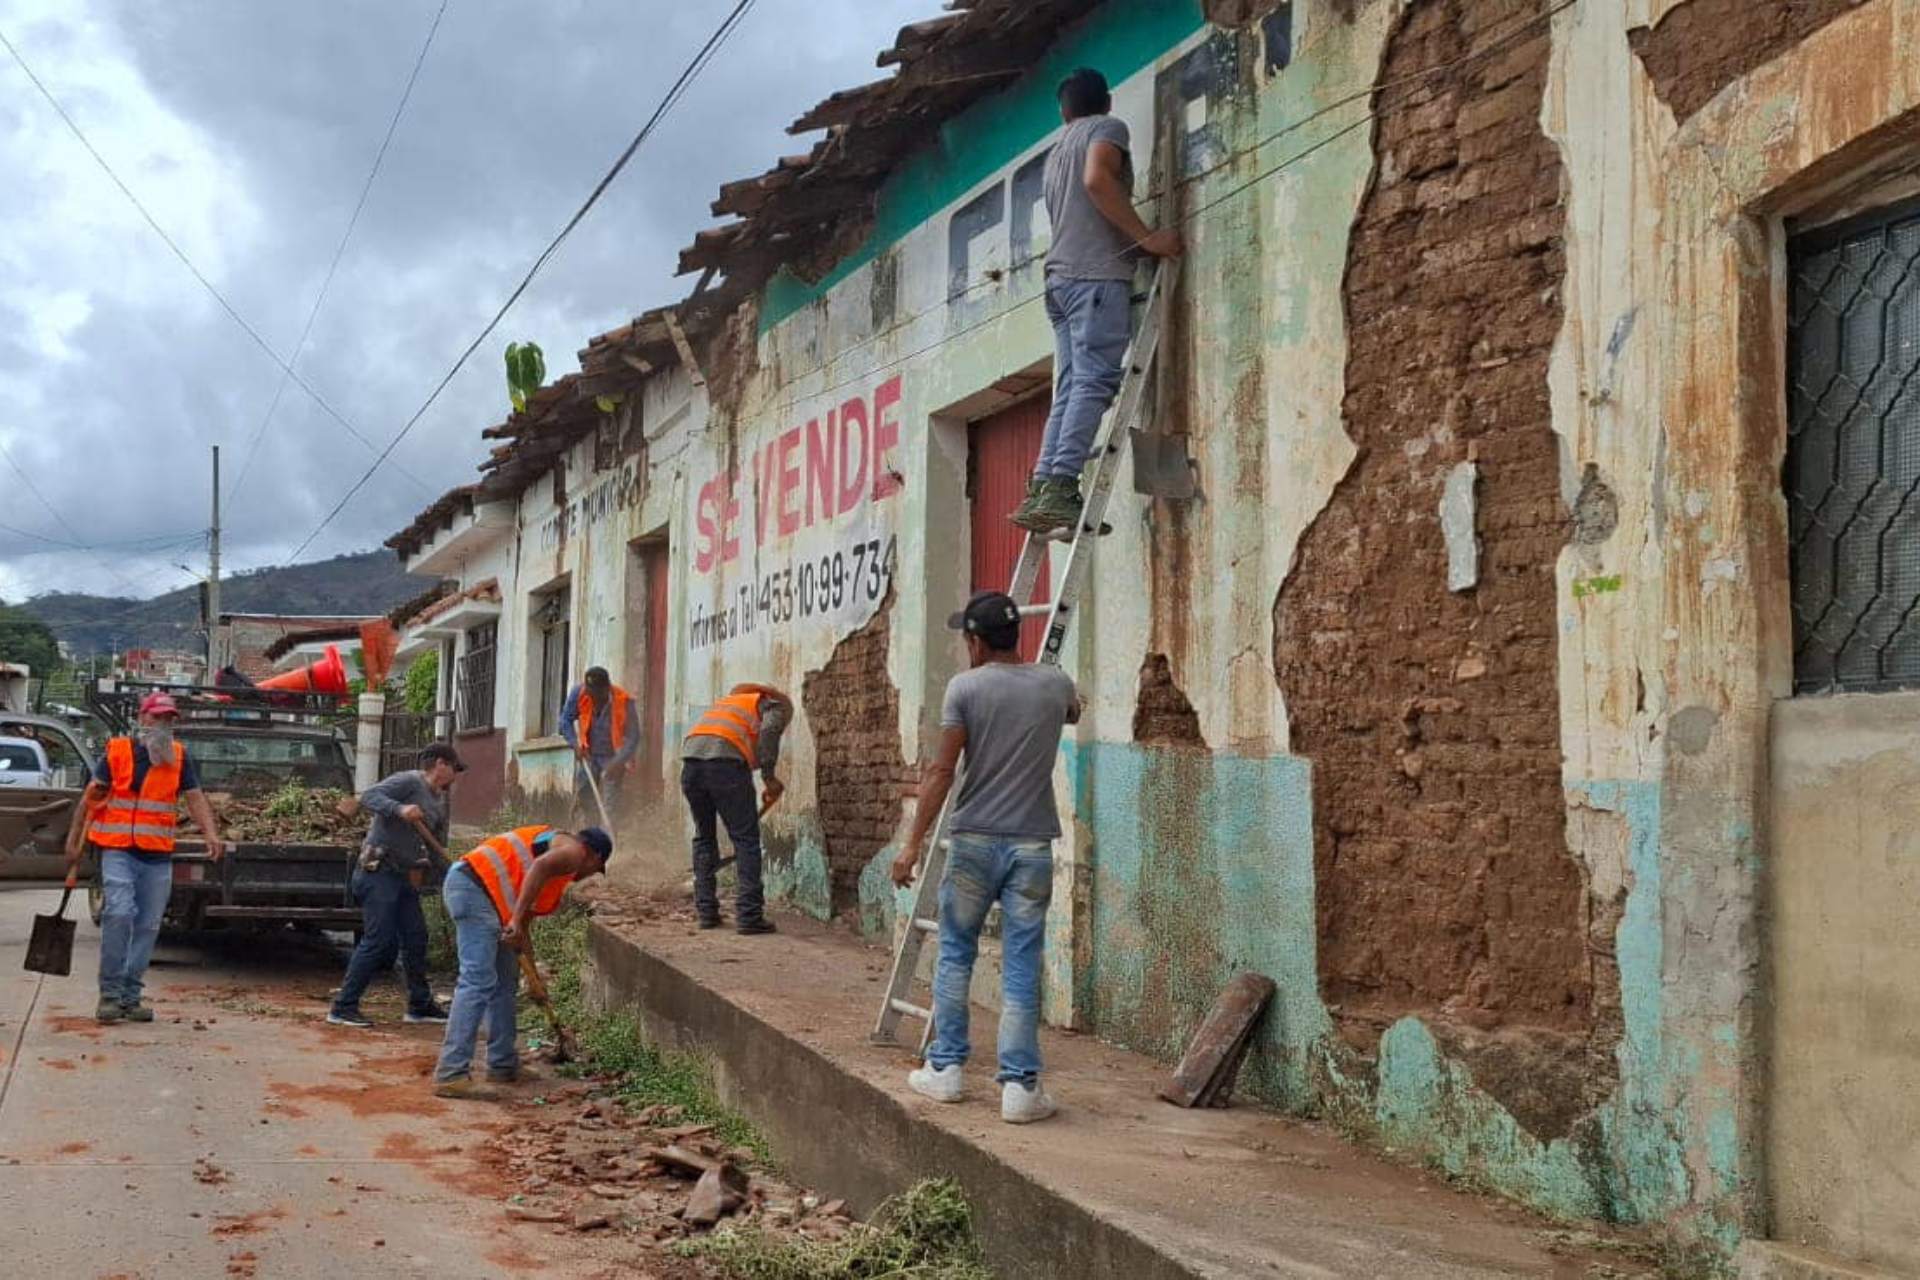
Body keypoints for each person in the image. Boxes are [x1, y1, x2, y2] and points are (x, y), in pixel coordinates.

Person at [892, 592, 1079, 1124]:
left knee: (955, 954)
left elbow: (942, 771)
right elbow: (1074, 708)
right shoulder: (1054, 682)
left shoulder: (965, 688)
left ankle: (946, 1070)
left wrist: (912, 844)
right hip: (1032, 846)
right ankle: (1020, 1088)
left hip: (973, 842)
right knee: (1021, 964)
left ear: (975, 641)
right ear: (1015, 636)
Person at [1011, 66, 1184, 536]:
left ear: (1063, 112)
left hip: (1061, 282)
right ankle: (1063, 486)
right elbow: (1097, 179)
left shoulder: (1055, 152)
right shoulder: (1107, 129)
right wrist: (1147, 238)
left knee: (1069, 388)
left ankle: (1044, 487)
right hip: (1094, 278)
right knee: (1093, 383)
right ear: (1106, 102)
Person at [63, 692, 225, 1024]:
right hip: (119, 850)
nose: (164, 724)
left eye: (169, 719)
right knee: (119, 914)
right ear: (143, 718)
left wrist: (210, 832)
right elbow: (89, 798)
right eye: (158, 717)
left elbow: (195, 798)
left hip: (157, 856)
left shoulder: (179, 757)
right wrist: (73, 841)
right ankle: (109, 994)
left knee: (149, 926)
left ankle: (130, 996)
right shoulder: (117, 752)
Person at [432, 823, 613, 1098]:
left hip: (487, 898)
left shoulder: (558, 867)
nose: (588, 876)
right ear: (595, 856)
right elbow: (538, 867)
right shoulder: (574, 852)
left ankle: (502, 1064)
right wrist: (515, 919)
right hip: (473, 890)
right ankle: (451, 1074)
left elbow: (524, 927)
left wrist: (533, 978)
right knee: (477, 980)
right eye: (595, 870)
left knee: (506, 981)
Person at [326, 743, 464, 1029]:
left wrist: (454, 874)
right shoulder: (408, 781)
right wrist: (399, 808)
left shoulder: (439, 801)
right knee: (378, 940)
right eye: (455, 769)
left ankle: (419, 1004)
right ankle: (343, 1007)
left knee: (416, 937)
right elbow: (370, 796)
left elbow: (437, 847)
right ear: (441, 764)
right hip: (378, 873)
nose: (456, 776)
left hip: (404, 878)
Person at [681, 683, 792, 935]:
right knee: (746, 841)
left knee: (704, 838)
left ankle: (706, 912)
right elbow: (770, 732)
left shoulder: (725, 706)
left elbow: (729, 743)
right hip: (725, 768)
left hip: (690, 767)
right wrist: (769, 777)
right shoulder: (771, 705)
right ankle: (749, 916)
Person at [560, 667, 641, 823]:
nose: (594, 699)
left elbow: (634, 736)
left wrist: (618, 762)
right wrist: (574, 743)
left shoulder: (624, 701)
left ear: (607, 688)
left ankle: (609, 838)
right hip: (588, 754)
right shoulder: (579, 693)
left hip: (613, 757)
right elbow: (565, 720)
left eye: (597, 694)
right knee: (585, 795)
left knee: (611, 804)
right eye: (591, 694)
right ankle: (592, 830)